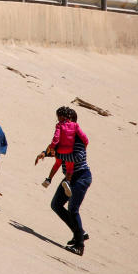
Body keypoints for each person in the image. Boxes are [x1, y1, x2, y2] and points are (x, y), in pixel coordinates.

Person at [36, 107, 92, 256]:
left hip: (81, 176)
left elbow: (78, 157)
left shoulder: (77, 139)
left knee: (73, 209)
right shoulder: (65, 136)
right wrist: (44, 153)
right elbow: (56, 151)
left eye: (63, 119)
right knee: (56, 204)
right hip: (70, 177)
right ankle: (79, 233)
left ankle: (79, 245)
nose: (60, 122)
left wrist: (58, 154)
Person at [41, 107, 89, 197]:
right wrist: (85, 144)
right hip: (69, 151)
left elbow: (56, 138)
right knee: (69, 167)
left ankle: (49, 179)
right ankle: (67, 181)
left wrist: (52, 147)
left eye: (58, 117)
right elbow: (84, 137)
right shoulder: (75, 126)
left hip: (59, 150)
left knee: (56, 164)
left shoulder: (59, 125)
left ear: (61, 117)